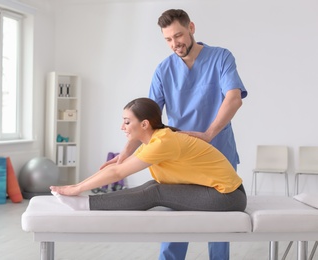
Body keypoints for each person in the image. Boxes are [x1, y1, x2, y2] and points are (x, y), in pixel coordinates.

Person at [102, 9, 248, 260]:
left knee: (220, 225)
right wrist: (125, 153)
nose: (174, 44)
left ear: (191, 27)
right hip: (178, 156)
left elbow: (233, 99)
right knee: (174, 225)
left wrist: (208, 134)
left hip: (217, 150)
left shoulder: (221, 57)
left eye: (178, 35)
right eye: (168, 39)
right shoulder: (163, 70)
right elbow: (146, 118)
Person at [50, 97, 247, 216]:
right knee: (152, 186)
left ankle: (85, 205)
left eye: (127, 122)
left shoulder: (161, 143)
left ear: (144, 124)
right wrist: (77, 187)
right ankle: (84, 201)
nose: (122, 127)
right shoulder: (156, 140)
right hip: (224, 192)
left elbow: (118, 173)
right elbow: (117, 168)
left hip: (228, 197)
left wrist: (76, 189)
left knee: (156, 192)